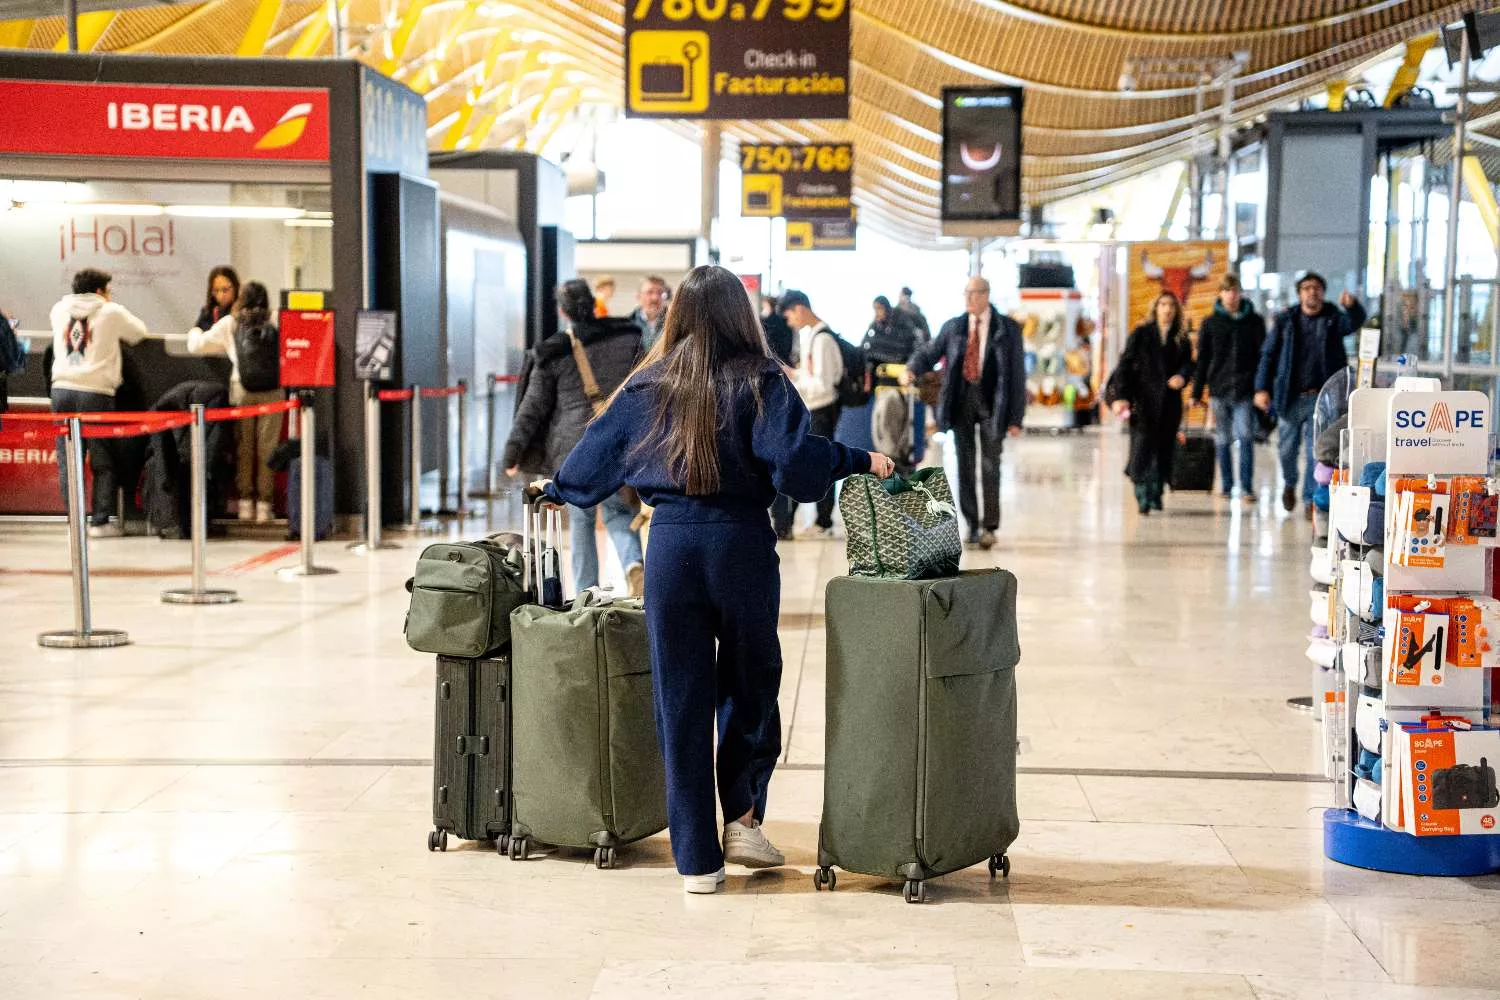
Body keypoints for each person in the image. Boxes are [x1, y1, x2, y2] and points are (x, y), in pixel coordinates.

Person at [535, 264, 893, 893]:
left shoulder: (648, 384)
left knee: (679, 695)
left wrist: (558, 489)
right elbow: (796, 462)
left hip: (669, 544)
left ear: (675, 316)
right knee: (751, 679)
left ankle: (697, 860)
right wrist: (859, 460)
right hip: (741, 545)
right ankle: (745, 820)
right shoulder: (762, 380)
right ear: (740, 316)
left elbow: (594, 452)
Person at [504, 278, 645, 594]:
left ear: (563, 312)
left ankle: (587, 592)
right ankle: (634, 565)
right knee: (620, 511)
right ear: (593, 304)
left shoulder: (554, 352)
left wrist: (513, 452)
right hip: (620, 442)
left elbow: (533, 407)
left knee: (581, 521)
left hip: (575, 450)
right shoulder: (628, 337)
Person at [905, 275, 1025, 549]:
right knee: (965, 466)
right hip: (961, 403)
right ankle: (972, 524)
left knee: (991, 464)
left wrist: (1016, 418)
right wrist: (913, 367)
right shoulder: (955, 327)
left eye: (974, 293)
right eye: (966, 294)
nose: (969, 299)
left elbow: (1017, 375)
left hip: (994, 403)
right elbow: (930, 352)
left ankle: (990, 526)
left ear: (986, 294)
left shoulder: (1007, 329)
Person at [1254, 272, 1365, 515]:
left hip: (1322, 398)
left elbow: (1355, 323)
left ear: (1323, 293)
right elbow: (1268, 355)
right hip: (1290, 396)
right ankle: (1290, 483)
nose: (1312, 292)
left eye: (1316, 288)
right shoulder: (1286, 321)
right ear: (1300, 293)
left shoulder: (1333, 318)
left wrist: (1353, 307)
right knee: (1286, 449)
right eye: (1306, 288)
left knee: (1315, 450)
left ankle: (1309, 499)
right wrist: (1261, 388)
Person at [48, 268, 148, 536]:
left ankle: (75, 522)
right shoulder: (110, 311)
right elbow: (139, 332)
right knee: (102, 457)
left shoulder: (59, 309)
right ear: (101, 290)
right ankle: (101, 521)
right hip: (95, 392)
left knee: (69, 457)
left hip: (61, 390)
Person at [187, 280, 283, 522]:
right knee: (267, 448)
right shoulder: (277, 320)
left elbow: (197, 346)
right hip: (274, 390)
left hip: (242, 388)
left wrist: (195, 330)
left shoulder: (231, 323)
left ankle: (244, 504)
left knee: (244, 447)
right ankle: (264, 505)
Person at [1108, 292, 1195, 515]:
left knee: (1164, 448)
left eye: (1171, 306)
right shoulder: (1141, 334)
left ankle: (1156, 490)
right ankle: (1142, 491)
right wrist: (1122, 396)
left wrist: (1182, 377)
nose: (1167, 310)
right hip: (1143, 402)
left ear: (1176, 311)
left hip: (1169, 403)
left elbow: (1187, 364)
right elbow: (1125, 366)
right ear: (1155, 308)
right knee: (1142, 448)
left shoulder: (1180, 337)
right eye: (1163, 305)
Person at [1190, 274, 1264, 502]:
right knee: (1222, 438)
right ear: (1220, 294)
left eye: (1235, 290)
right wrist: (1196, 391)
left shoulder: (1254, 322)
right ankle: (1227, 485)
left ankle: (1246, 487)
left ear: (1240, 293)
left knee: (1245, 436)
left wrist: (1262, 387)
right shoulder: (1211, 323)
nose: (1232, 295)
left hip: (1245, 389)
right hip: (1219, 389)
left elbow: (1263, 356)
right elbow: (1203, 359)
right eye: (1227, 291)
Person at [779, 289, 845, 539]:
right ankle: (819, 520)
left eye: (789, 316)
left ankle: (824, 521)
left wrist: (796, 385)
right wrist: (794, 374)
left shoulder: (823, 340)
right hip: (813, 410)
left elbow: (824, 385)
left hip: (822, 411)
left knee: (822, 465)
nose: (789, 322)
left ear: (800, 309)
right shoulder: (812, 336)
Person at [760, 294, 800, 539]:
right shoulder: (787, 327)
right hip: (785, 387)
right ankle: (784, 523)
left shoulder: (763, 326)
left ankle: (779, 520)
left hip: (767, 390)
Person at [863, 295, 925, 375]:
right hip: (882, 368)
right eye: (875, 309)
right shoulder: (875, 325)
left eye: (880, 308)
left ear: (886, 308)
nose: (877, 312)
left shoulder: (901, 318)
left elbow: (913, 340)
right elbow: (866, 344)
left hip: (904, 365)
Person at [193, 266, 240, 334]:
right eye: (216, 290)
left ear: (235, 288)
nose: (221, 296)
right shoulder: (207, 312)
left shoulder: (243, 313)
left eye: (225, 290)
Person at [630, 275, 669, 352]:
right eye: (649, 292)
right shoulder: (628, 325)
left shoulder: (673, 324)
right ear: (638, 296)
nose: (655, 298)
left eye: (660, 293)